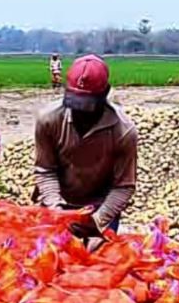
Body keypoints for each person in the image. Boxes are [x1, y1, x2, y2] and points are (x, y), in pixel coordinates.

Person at [33, 54, 137, 243]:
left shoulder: (123, 131)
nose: (80, 112)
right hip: (58, 202)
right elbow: (46, 170)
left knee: (97, 261)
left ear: (104, 96)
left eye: (86, 106)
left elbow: (123, 186)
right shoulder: (49, 119)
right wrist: (57, 211)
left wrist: (97, 221)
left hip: (99, 206)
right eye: (75, 104)